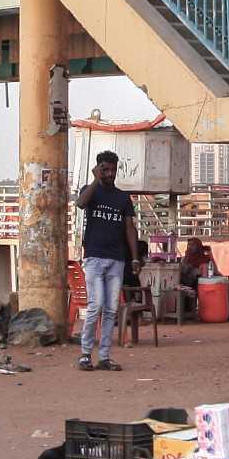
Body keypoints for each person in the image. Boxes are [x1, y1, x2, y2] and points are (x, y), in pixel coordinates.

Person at [74, 150, 140, 372]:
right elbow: (81, 204)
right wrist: (95, 180)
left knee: (111, 309)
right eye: (105, 169)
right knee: (96, 305)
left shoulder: (122, 197)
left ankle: (104, 356)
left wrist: (135, 257)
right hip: (94, 257)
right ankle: (85, 354)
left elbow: (130, 228)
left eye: (112, 169)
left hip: (117, 259)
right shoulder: (90, 191)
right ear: (99, 169)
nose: (110, 174)